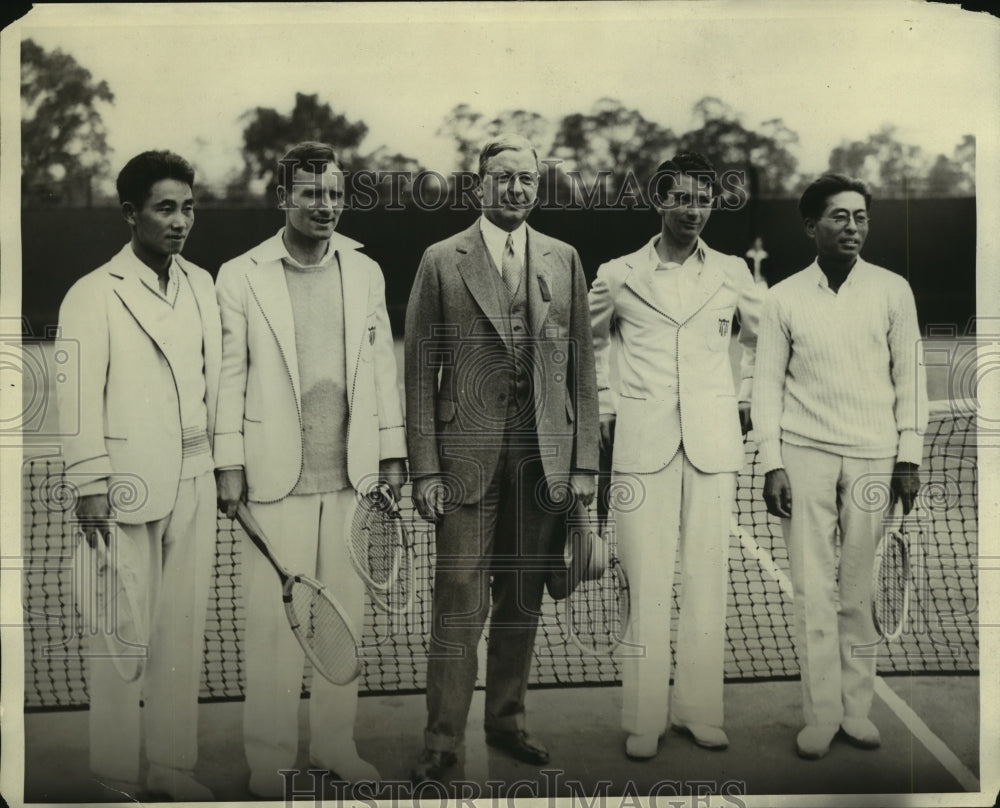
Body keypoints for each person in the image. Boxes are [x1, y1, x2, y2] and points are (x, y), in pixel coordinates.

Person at [214, 141, 407, 797]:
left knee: (342, 621)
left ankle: (334, 745)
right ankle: (268, 757)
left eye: (333, 194)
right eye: (311, 194)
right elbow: (229, 377)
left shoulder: (366, 270)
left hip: (353, 479)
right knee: (273, 626)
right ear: (283, 198)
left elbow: (382, 368)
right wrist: (228, 464)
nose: (325, 206)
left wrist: (391, 453)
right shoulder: (239, 275)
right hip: (273, 481)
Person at [404, 134, 599, 783]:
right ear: (479, 186)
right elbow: (418, 375)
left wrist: (584, 465)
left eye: (526, 179)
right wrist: (426, 469)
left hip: (543, 461)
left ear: (536, 187)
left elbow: (581, 370)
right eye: (503, 178)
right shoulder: (440, 260)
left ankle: (507, 721)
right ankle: (441, 740)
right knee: (459, 599)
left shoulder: (563, 257)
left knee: (522, 598)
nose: (515, 189)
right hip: (464, 461)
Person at [57, 150, 219, 801]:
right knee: (120, 634)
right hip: (122, 489)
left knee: (180, 628)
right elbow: (74, 400)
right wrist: (89, 484)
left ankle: (171, 768)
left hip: (196, 483)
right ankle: (117, 774)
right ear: (131, 213)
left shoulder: (204, 284)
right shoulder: (91, 293)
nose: (180, 221)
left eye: (187, 208)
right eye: (165, 208)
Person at [588, 151, 759, 760]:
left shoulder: (735, 272)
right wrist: (607, 406)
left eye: (703, 199)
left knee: (708, 578)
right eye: (681, 197)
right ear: (659, 200)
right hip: (641, 446)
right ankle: (644, 718)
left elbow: (767, 341)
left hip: (713, 446)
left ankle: (698, 712)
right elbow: (587, 345)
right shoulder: (617, 273)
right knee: (647, 581)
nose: (693, 209)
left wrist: (744, 396)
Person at [753, 173, 927, 760]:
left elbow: (910, 378)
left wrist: (909, 455)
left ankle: (856, 712)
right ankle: (821, 716)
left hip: (876, 458)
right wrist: (772, 463)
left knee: (857, 591)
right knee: (812, 593)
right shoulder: (781, 298)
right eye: (839, 217)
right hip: (803, 456)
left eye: (860, 217)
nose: (852, 227)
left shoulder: (893, 290)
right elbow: (766, 390)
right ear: (811, 226)